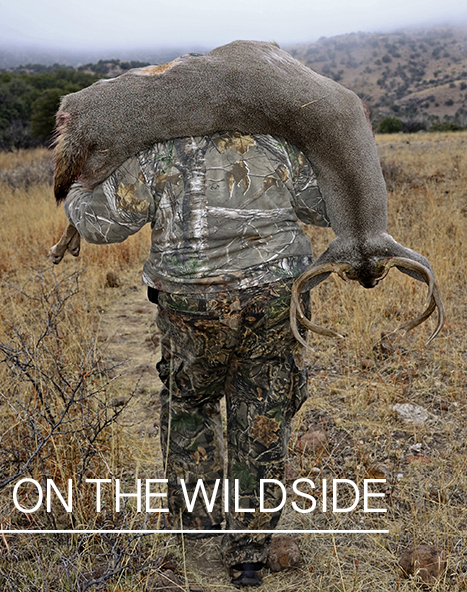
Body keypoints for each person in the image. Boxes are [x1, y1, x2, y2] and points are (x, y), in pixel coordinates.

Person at [62, 131, 329, 587]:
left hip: (191, 302)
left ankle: (199, 523)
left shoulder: (157, 148)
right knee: (262, 413)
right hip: (276, 299)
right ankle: (249, 556)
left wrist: (73, 191)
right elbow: (324, 206)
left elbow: (103, 225)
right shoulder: (275, 142)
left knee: (189, 402)